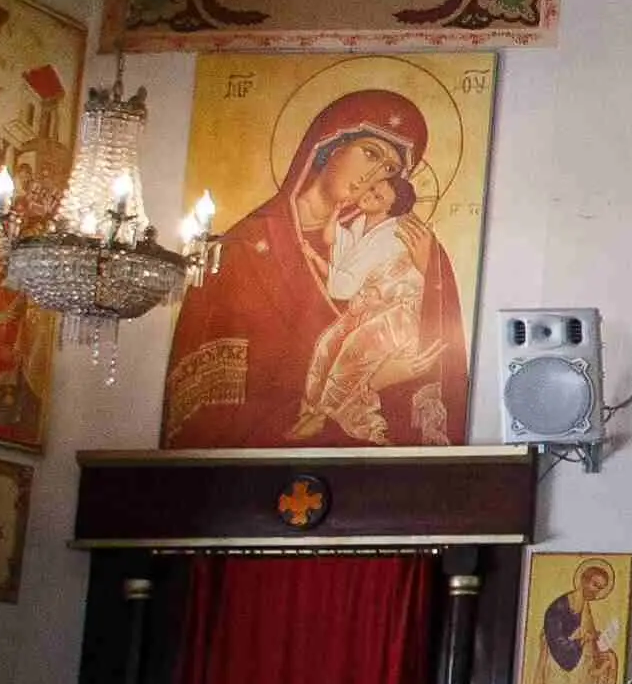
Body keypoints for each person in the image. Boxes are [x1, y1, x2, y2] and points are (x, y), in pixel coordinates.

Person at [164, 89, 468, 448]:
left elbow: (431, 355)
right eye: (369, 153)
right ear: (328, 146)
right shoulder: (244, 246)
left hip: (361, 459)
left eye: (389, 169)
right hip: (251, 462)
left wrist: (428, 271)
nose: (373, 176)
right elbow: (208, 393)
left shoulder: (404, 242)